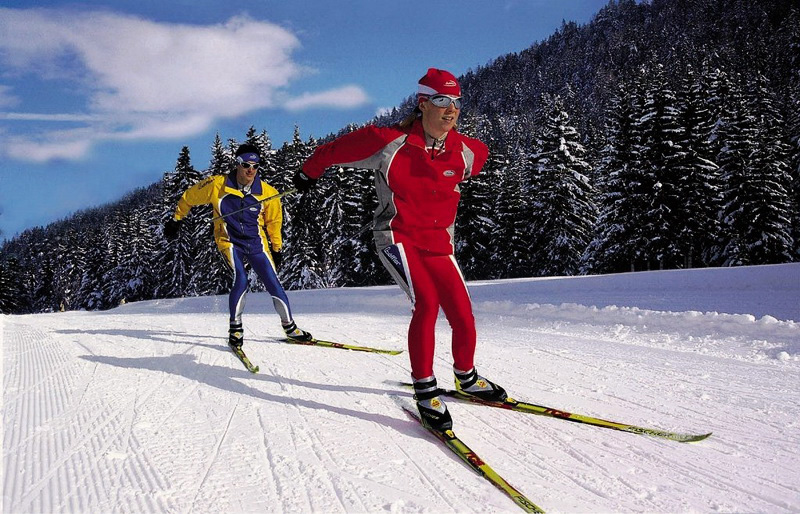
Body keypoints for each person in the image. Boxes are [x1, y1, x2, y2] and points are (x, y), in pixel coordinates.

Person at [295, 68, 507, 431]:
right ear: (422, 104)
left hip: (439, 242)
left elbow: (478, 158)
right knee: (427, 302)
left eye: (455, 102)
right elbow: (333, 151)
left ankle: (466, 377)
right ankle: (425, 390)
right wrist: (308, 173)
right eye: (441, 101)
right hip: (397, 237)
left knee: (462, 310)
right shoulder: (387, 141)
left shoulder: (469, 151)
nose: (450, 109)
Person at [164, 143, 312, 349]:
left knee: (273, 282)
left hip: (256, 243)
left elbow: (274, 224)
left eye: (255, 165)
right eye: (246, 165)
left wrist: (277, 249)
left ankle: (290, 328)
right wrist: (177, 219)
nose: (251, 170)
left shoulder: (268, 193)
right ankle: (236, 329)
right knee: (240, 279)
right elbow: (189, 197)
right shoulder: (218, 185)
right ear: (237, 164)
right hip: (229, 241)